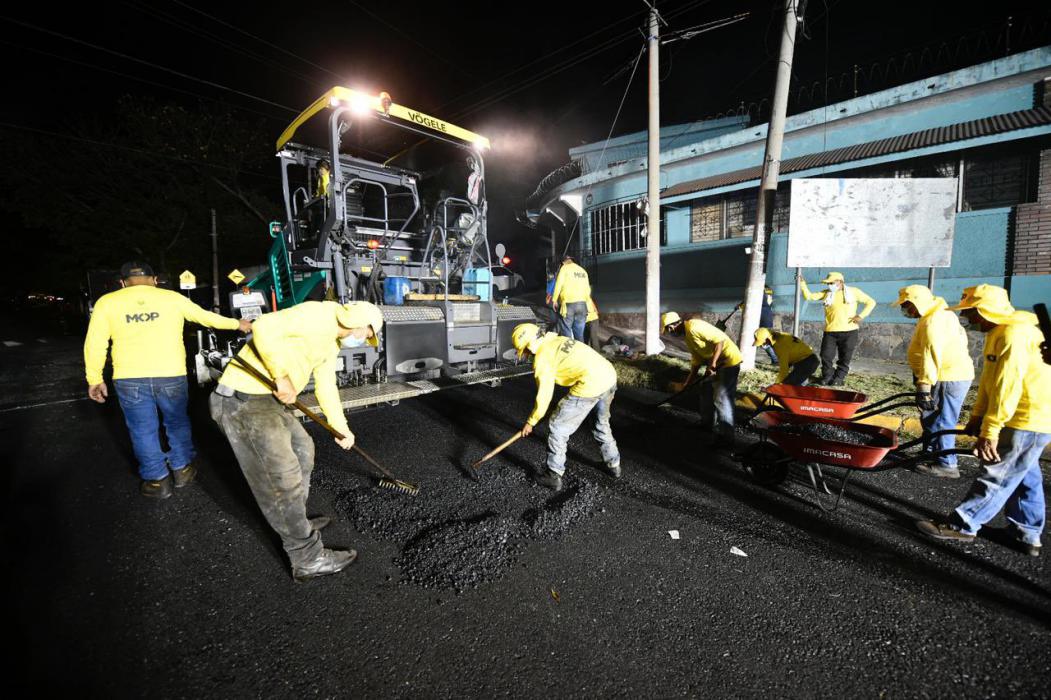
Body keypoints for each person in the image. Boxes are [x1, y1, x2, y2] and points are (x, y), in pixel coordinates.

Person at [211, 300, 384, 581]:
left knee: (304, 450)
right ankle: (307, 557)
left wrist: (341, 427)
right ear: (357, 321)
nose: (365, 338)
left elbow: (327, 386)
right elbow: (262, 326)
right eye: (367, 332)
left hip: (266, 402)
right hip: (243, 400)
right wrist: (281, 377)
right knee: (283, 478)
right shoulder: (318, 314)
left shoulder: (331, 343)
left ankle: (296, 522)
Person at [84, 261, 251, 499]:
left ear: (122, 283)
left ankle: (157, 481)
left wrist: (94, 378)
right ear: (154, 280)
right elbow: (206, 318)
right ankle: (182, 469)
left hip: (130, 378)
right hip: (171, 374)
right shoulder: (172, 298)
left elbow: (95, 343)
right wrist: (239, 324)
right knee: (176, 422)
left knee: (142, 430)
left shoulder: (107, 302)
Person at [916, 285, 1051, 557]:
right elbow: (990, 381)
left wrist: (991, 429)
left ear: (985, 310)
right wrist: (978, 416)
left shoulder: (1014, 334)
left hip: (1026, 417)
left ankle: (963, 524)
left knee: (998, 472)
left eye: (970, 312)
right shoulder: (997, 332)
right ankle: (1026, 534)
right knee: (1026, 476)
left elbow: (1007, 387)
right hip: (1021, 417)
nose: (968, 318)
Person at [512, 323, 620, 492]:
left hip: (590, 384)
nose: (526, 354)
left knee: (558, 427)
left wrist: (531, 422)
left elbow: (544, 396)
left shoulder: (542, 358)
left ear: (530, 345)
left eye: (525, 350)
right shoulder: (558, 339)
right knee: (600, 423)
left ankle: (553, 475)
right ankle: (613, 464)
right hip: (608, 376)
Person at [892, 284, 975, 479]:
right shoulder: (939, 313)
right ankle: (931, 453)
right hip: (950, 375)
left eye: (906, 306)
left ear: (916, 303)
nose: (905, 310)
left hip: (946, 377)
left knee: (942, 420)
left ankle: (947, 463)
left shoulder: (933, 321)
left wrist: (924, 386)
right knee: (933, 417)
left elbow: (931, 355)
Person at [661, 311, 743, 448]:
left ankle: (726, 438)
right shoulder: (688, 336)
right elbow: (696, 361)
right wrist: (687, 383)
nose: (671, 334)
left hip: (728, 362)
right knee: (705, 389)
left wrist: (713, 364)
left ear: (673, 326)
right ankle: (707, 423)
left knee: (722, 398)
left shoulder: (694, 327)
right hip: (715, 363)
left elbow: (720, 340)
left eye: (669, 330)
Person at [798, 271, 876, 386]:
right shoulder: (827, 293)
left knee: (845, 357)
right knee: (826, 355)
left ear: (840, 282)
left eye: (831, 282)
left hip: (850, 331)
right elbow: (809, 296)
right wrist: (802, 284)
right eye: (828, 283)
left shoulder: (854, 292)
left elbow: (871, 302)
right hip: (831, 331)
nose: (829, 285)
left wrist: (861, 316)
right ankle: (827, 376)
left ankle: (839, 378)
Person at [753, 328, 818, 386]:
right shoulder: (780, 335)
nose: (762, 346)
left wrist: (777, 385)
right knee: (793, 383)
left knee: (787, 386)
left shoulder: (779, 345)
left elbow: (784, 369)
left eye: (763, 343)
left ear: (768, 339)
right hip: (806, 361)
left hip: (807, 363)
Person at [549, 254, 591, 341]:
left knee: (566, 331)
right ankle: (579, 352)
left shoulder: (564, 269)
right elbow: (587, 289)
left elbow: (558, 285)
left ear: (563, 263)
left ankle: (568, 352)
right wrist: (585, 302)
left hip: (569, 305)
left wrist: (554, 300)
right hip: (582, 305)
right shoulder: (583, 271)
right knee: (579, 335)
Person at [759, 287, 778, 364]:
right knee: (767, 342)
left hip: (765, 321)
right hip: (767, 320)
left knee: (765, 343)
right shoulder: (768, 292)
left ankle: (776, 360)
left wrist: (740, 306)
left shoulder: (762, 293)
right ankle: (776, 360)